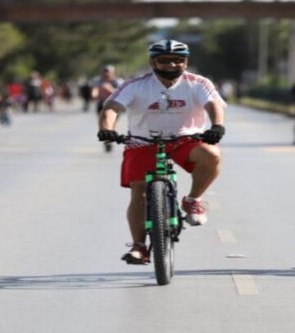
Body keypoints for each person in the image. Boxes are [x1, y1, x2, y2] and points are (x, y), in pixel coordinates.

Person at [97, 39, 227, 264]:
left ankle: (192, 200)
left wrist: (217, 126)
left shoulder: (198, 83)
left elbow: (213, 105)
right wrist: (106, 129)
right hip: (143, 141)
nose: (172, 65)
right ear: (152, 62)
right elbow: (112, 107)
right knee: (139, 191)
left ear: (185, 62)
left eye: (178, 60)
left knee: (212, 155)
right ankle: (139, 247)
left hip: (186, 139)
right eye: (165, 60)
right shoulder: (135, 85)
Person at [92, 65, 123, 152]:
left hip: (114, 106)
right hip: (101, 105)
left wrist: (110, 89)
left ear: (112, 73)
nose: (106, 75)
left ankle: (109, 138)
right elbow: (95, 91)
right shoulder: (98, 81)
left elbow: (121, 94)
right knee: (102, 124)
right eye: (104, 73)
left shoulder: (118, 82)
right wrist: (95, 94)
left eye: (108, 73)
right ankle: (106, 138)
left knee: (111, 122)